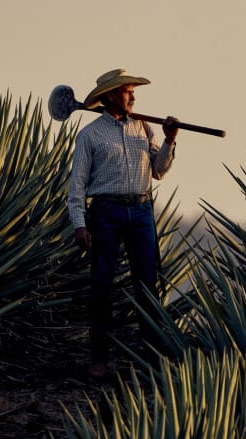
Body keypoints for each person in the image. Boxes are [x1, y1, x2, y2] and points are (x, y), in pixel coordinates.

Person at [67, 68, 179, 378]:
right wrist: (79, 223)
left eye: (132, 91)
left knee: (147, 285)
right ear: (111, 96)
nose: (133, 96)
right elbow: (77, 185)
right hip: (106, 213)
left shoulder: (143, 128)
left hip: (141, 211)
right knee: (102, 284)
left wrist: (169, 141)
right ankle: (99, 359)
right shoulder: (90, 135)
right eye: (127, 91)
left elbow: (158, 170)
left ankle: (152, 358)